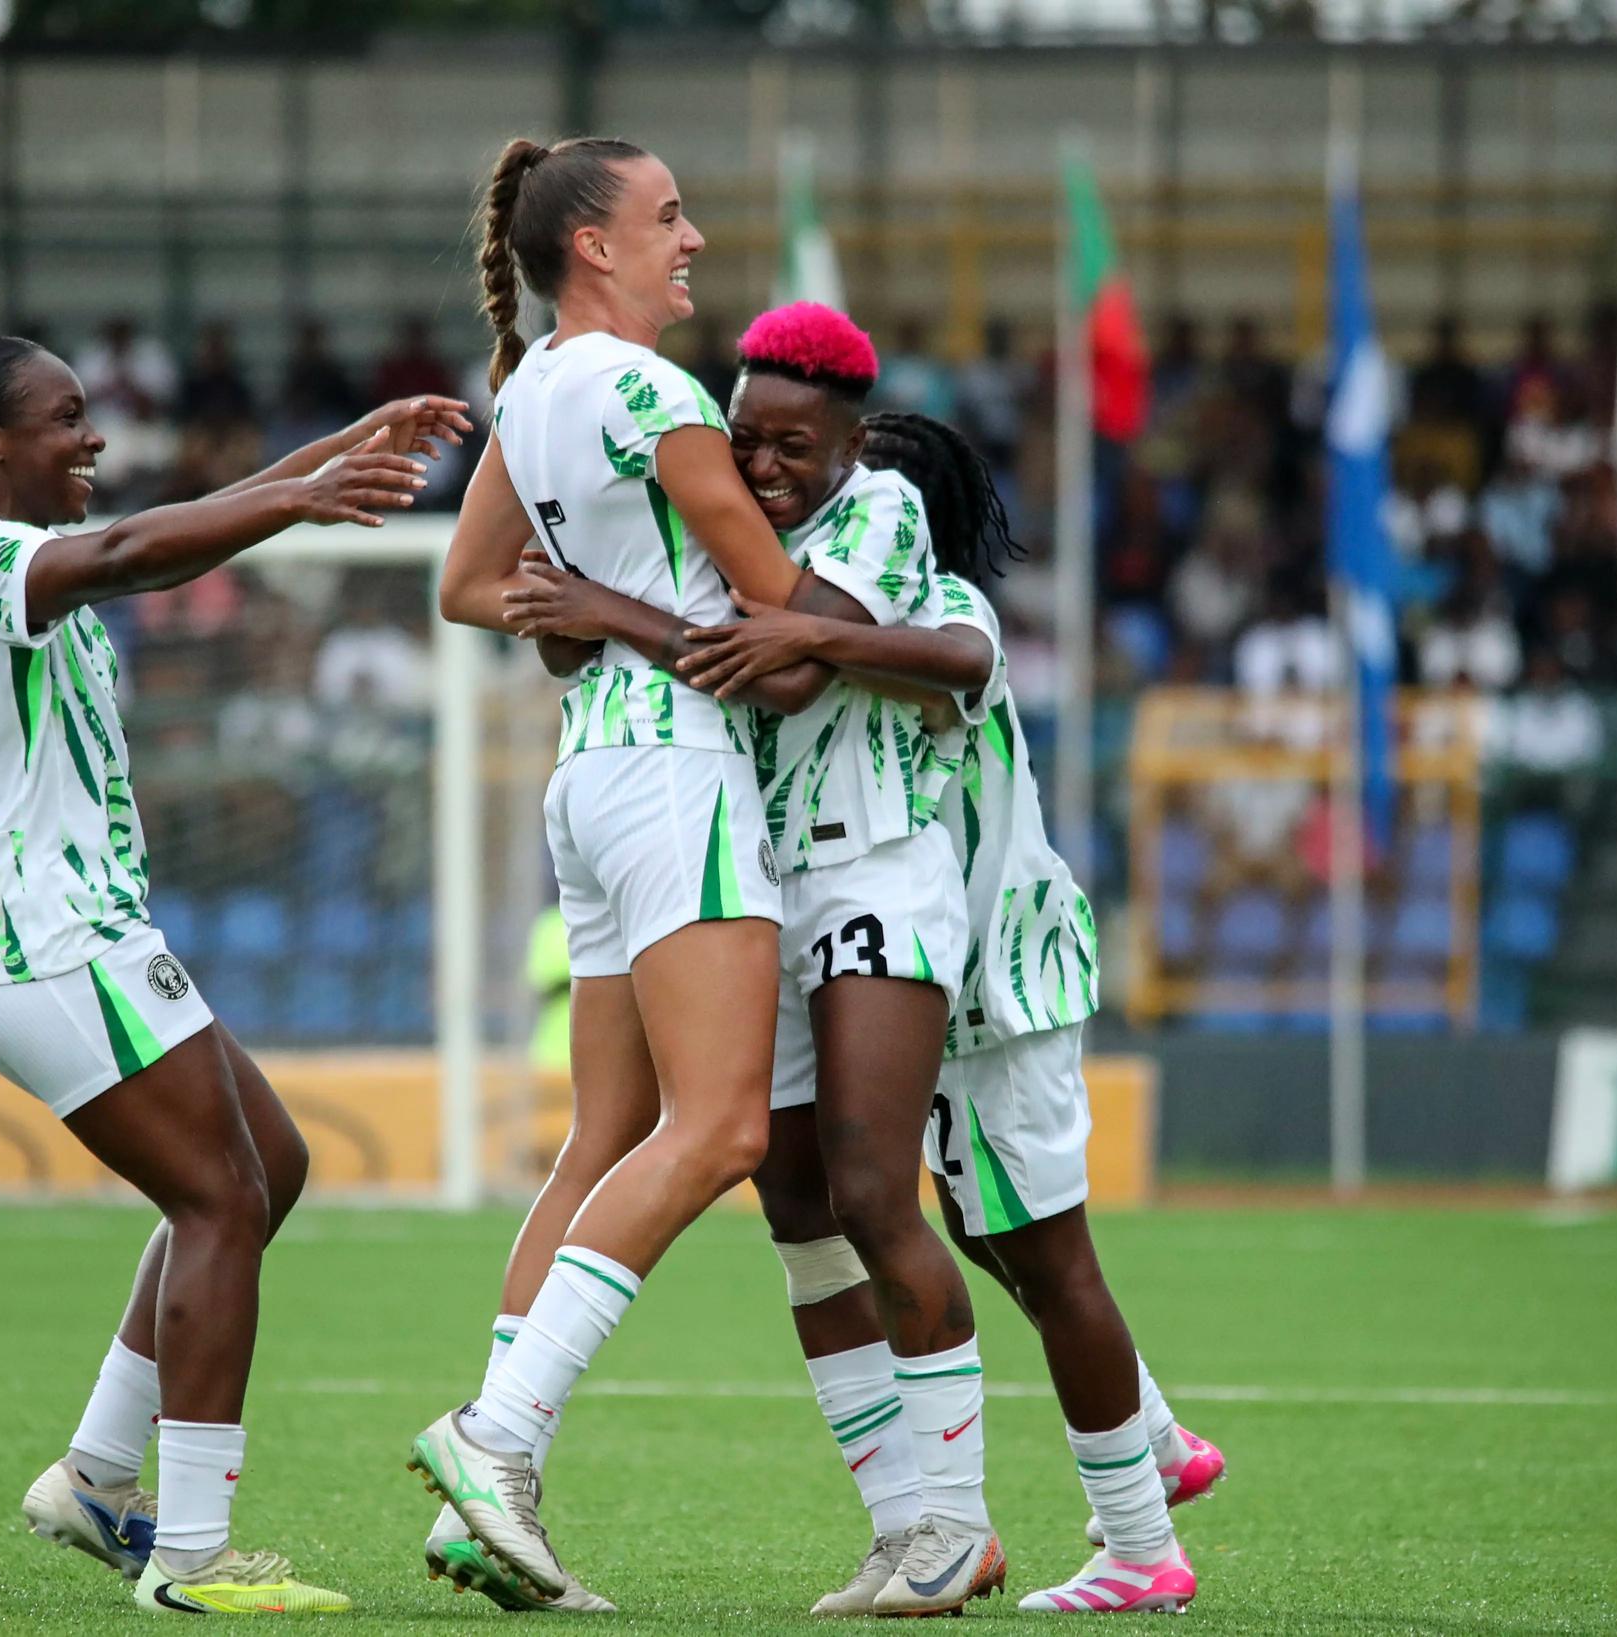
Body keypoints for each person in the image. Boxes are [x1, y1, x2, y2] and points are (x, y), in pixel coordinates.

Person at [0, 331, 456, 1617]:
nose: (94, 437)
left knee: (264, 1168)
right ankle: (189, 1552)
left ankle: (92, 1475)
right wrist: (297, 496)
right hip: (26, 925)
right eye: (67, 417)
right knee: (222, 1199)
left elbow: (162, 526)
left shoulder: (22, 553)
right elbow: (136, 551)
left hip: (79, 919)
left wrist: (346, 450)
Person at [500, 304, 1008, 1615]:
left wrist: (605, 602)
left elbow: (779, 671)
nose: (766, 466)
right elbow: (579, 637)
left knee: (872, 1190)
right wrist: (589, 591)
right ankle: (902, 1528)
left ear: (853, 437)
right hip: (760, 889)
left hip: (874, 874)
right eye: (746, 441)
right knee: (798, 1219)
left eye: (795, 444)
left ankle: (962, 1518)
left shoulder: (882, 512)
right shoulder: (713, 524)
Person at [672, 426, 1217, 1615]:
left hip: (996, 979)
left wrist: (804, 626)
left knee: (1042, 1253)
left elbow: (953, 658)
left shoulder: (940, 606)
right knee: (981, 1236)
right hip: (940, 982)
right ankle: (1157, 1437)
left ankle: (1138, 1542)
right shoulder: (842, 622)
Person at [418, 135, 813, 1611]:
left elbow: (465, 585)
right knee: (717, 1134)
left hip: (590, 774)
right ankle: (496, 1437)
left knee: (607, 1137)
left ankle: (484, 1504)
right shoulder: (654, 394)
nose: (692, 236)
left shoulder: (531, 393)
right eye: (666, 216)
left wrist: (577, 615)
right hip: (678, 773)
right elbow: (776, 615)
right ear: (593, 246)